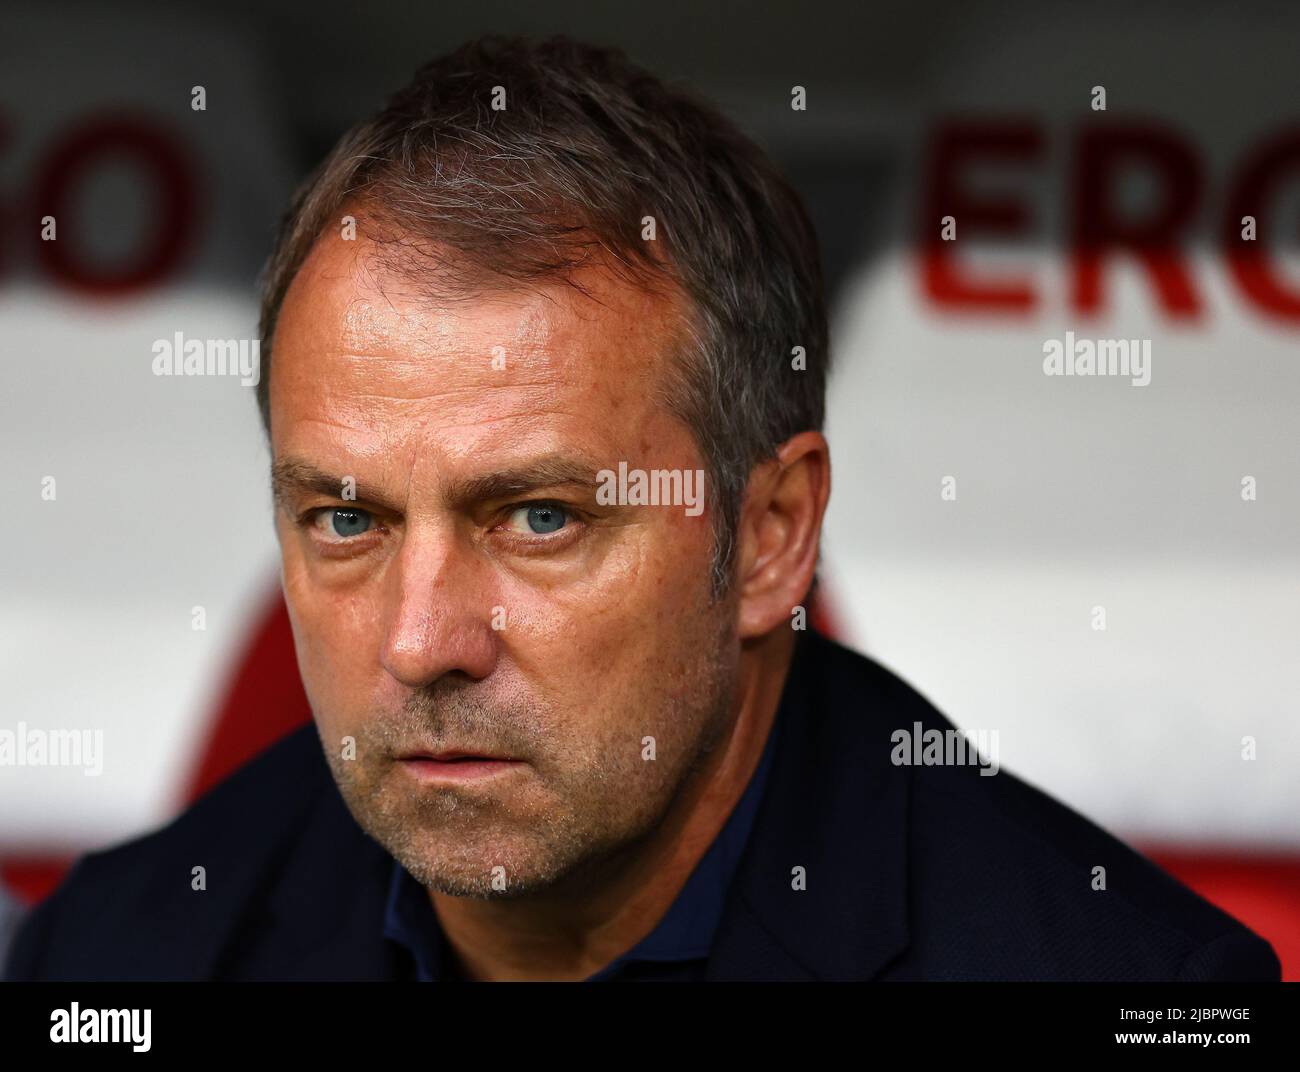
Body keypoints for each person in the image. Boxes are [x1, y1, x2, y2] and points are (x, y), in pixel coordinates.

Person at [5, 35, 1279, 982]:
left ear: (771, 536)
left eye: (539, 517)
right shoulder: (115, 965)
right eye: (347, 518)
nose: (419, 641)